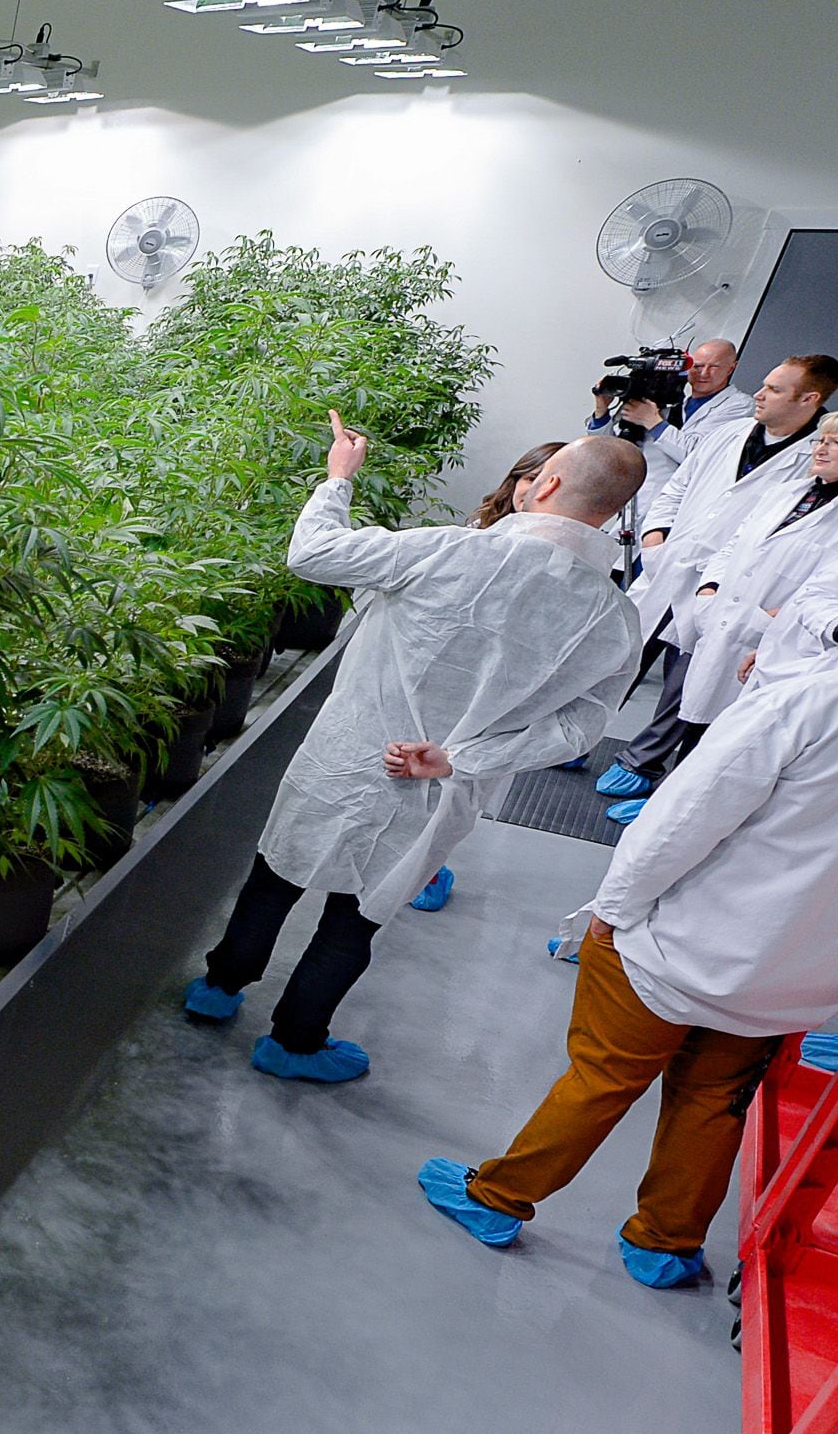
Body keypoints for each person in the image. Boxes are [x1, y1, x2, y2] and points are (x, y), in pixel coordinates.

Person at [183, 419, 645, 1082]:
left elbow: (313, 553)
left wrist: (339, 477)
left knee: (280, 868)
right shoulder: (613, 619)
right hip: (439, 786)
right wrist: (463, 757)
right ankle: (294, 1040)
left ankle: (219, 986)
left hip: (350, 748)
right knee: (360, 912)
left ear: (545, 483)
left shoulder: (448, 550)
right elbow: (582, 728)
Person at [421, 658, 838, 1286]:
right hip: (793, 974)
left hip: (682, 944)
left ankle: (496, 1198)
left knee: (604, 1075)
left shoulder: (804, 704)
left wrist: (614, 909)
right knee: (714, 1100)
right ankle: (666, 1243)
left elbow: (684, 818)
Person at [597, 354, 837, 800]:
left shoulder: (813, 461)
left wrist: (716, 583)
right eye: (764, 384)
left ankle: (644, 765)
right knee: (621, 656)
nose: (760, 395)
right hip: (672, 562)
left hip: (729, 587)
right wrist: (655, 540)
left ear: (809, 399)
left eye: (775, 389)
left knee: (690, 682)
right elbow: (677, 487)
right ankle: (586, 738)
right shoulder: (728, 434)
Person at [407, 440, 576, 909]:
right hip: (441, 672)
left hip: (497, 692)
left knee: (458, 786)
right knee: (411, 772)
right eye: (528, 479)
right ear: (515, 482)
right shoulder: (477, 531)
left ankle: (429, 866)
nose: (534, 491)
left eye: (546, 483)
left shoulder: (566, 560)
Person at [586, 338, 745, 490]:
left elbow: (698, 456)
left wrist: (653, 422)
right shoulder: (668, 405)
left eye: (714, 367)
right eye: (697, 366)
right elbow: (607, 450)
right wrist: (602, 410)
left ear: (731, 368)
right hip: (635, 496)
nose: (704, 373)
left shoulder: (738, 405)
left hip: (677, 502)